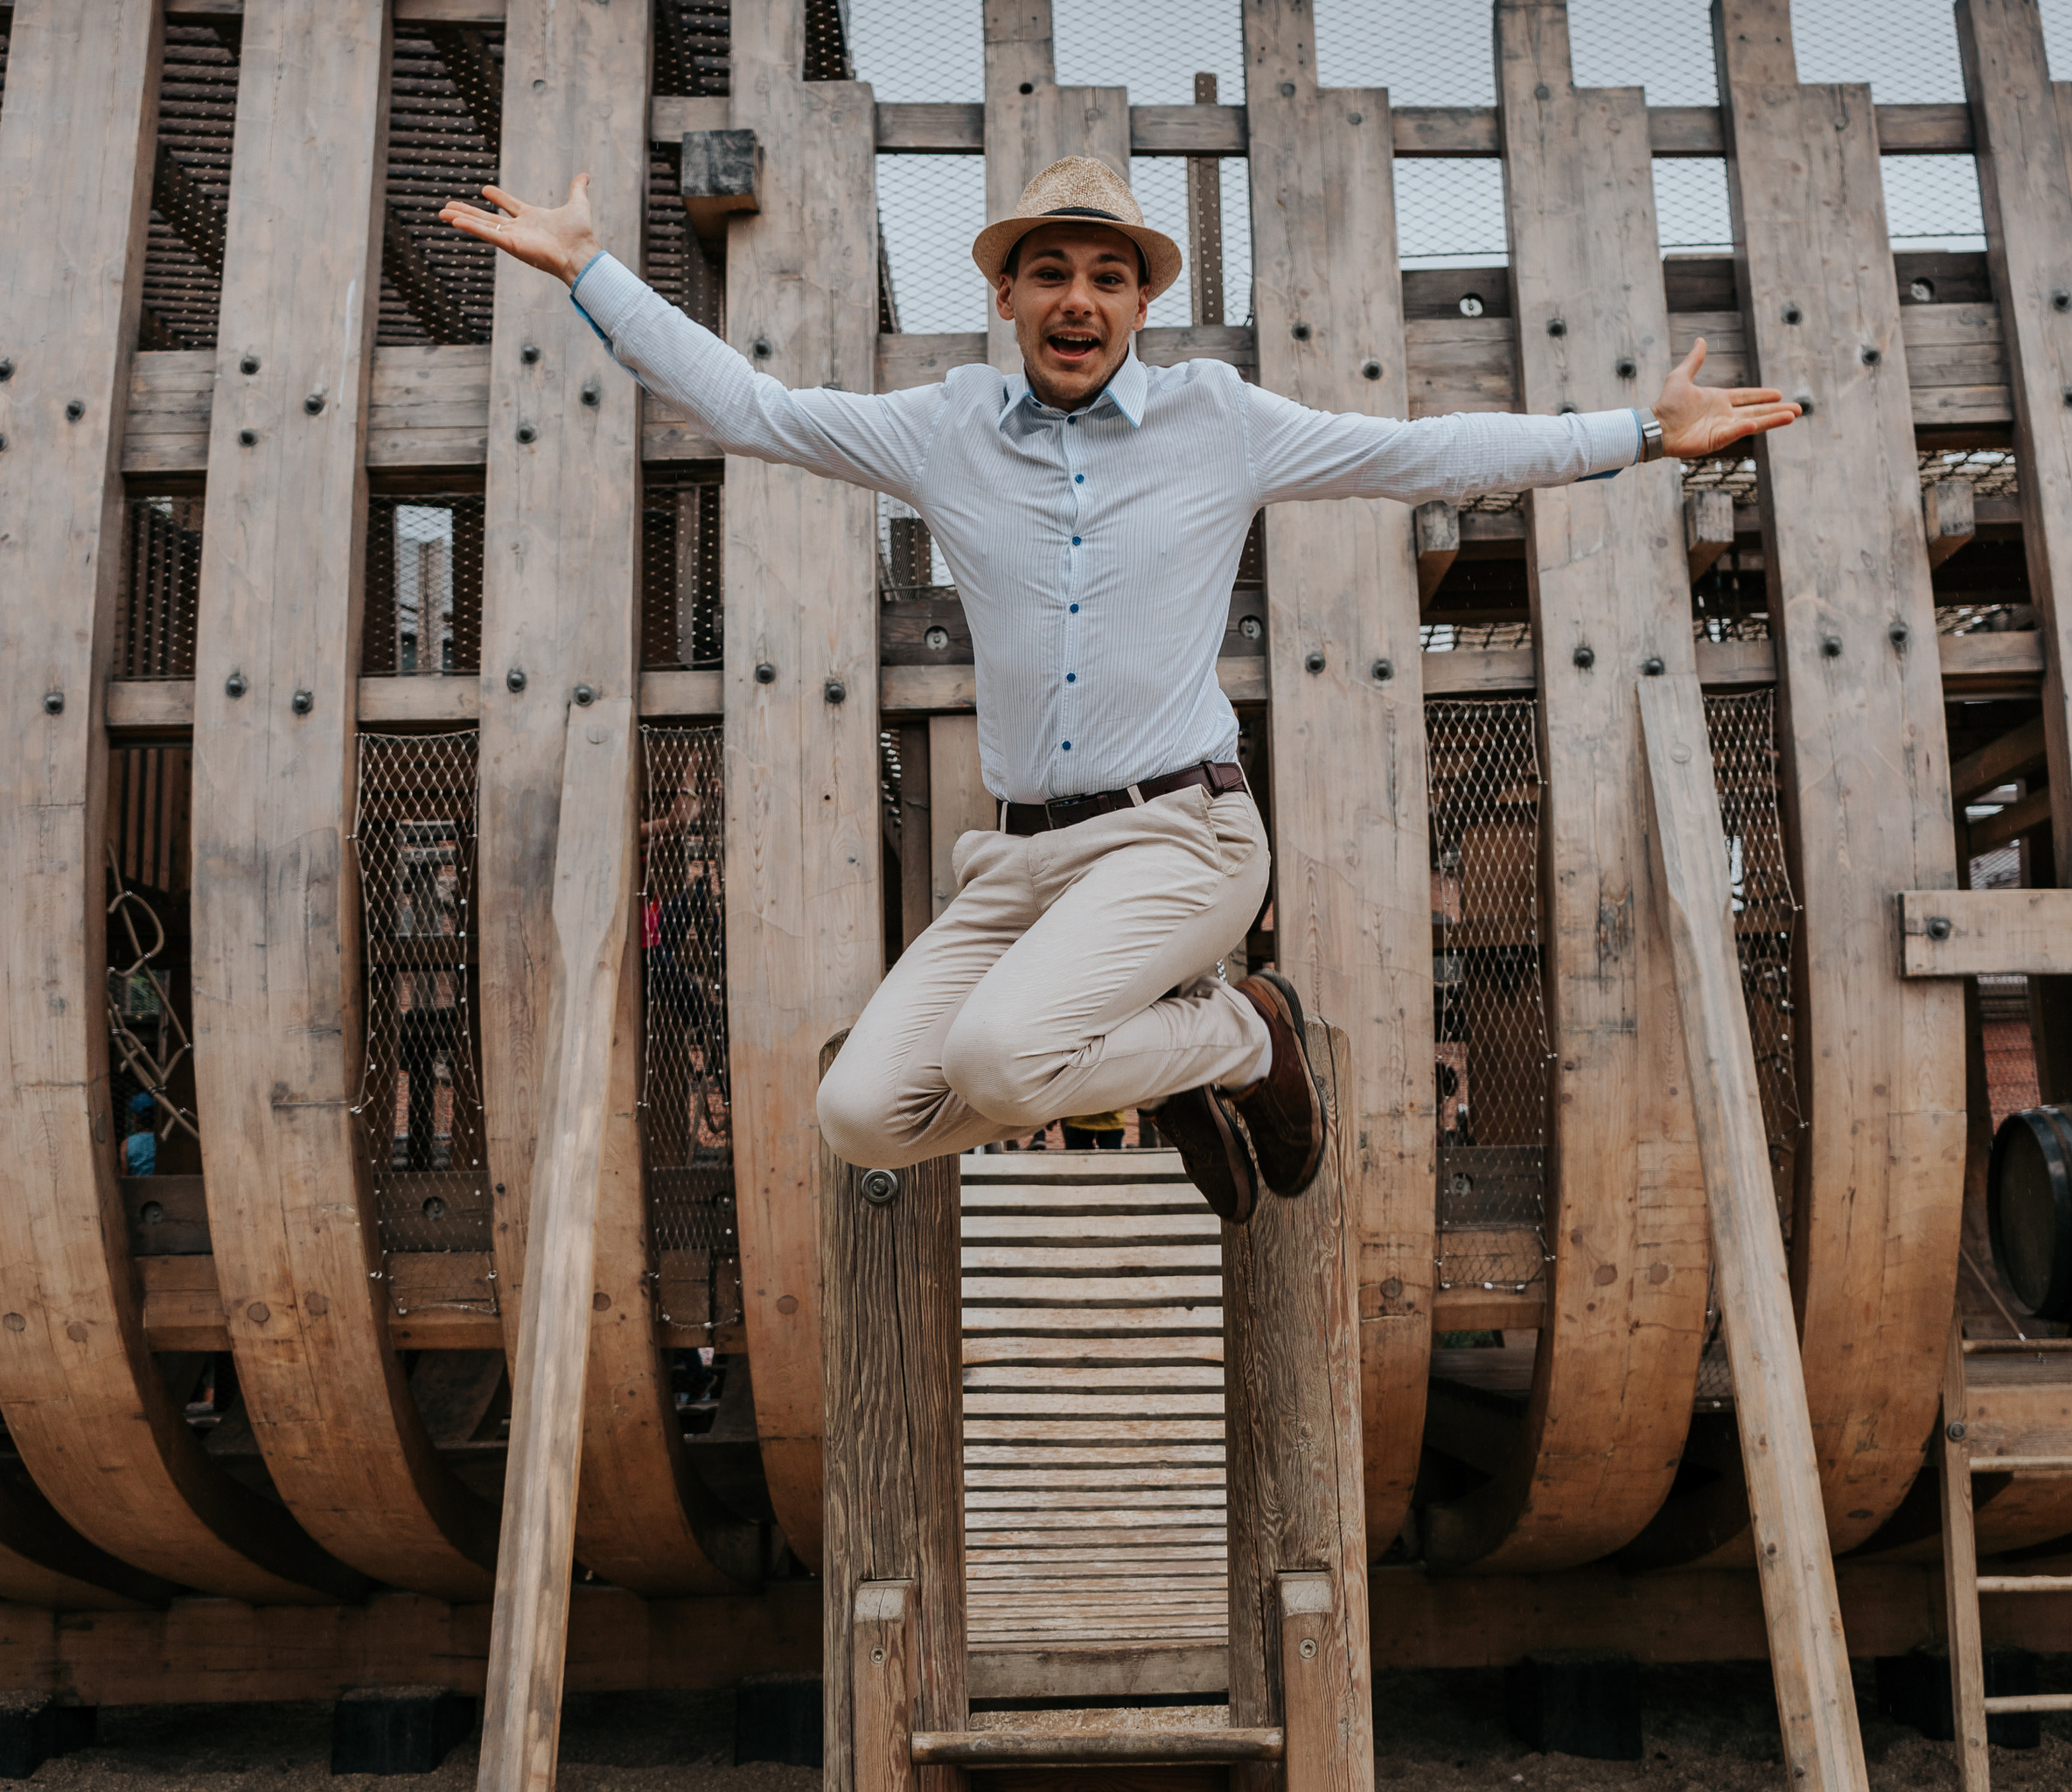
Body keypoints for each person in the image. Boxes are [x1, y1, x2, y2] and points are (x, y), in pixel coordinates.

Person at [442, 156, 1796, 1221]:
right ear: (1008, 298)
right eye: (1048, 273)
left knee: (996, 1065)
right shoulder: (947, 428)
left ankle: (1244, 1037)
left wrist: (1635, 434)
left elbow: (1421, 455)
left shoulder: (1222, 420)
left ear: (1143, 304)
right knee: (860, 1116)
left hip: (1183, 835)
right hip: (1022, 866)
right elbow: (754, 410)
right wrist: (592, 273)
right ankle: (1209, 1045)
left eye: (1106, 275)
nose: (1077, 299)